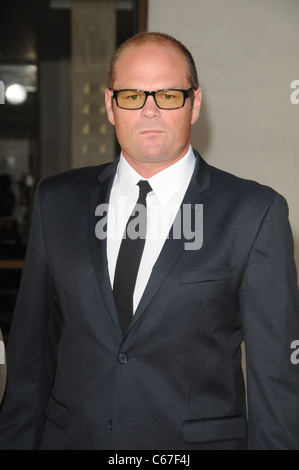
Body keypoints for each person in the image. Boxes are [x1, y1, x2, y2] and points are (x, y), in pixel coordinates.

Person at [0, 32, 298, 451]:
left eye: (169, 95)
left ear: (194, 104)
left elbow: (277, 379)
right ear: (110, 105)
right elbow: (30, 356)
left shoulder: (254, 211)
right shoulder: (57, 201)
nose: (150, 111)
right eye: (132, 96)